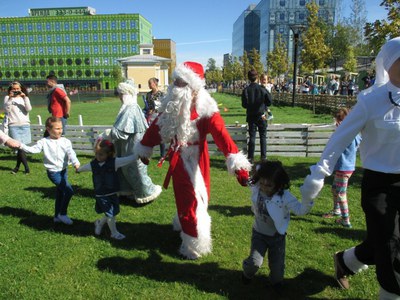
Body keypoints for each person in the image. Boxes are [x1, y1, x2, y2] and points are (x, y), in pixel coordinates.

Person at [301, 37, 400, 298]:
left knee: (382, 242)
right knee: (389, 247)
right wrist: (318, 175)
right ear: (390, 65)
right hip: (379, 186)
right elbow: (339, 139)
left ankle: (345, 261)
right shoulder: (371, 101)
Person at [136, 61, 252, 260]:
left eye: (181, 83)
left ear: (194, 86)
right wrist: (145, 150)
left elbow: (223, 138)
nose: (175, 87)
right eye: (175, 82)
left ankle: (190, 234)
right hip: (178, 159)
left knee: (198, 198)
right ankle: (190, 239)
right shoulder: (171, 107)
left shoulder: (207, 110)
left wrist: (239, 168)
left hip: (198, 161)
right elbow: (156, 127)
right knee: (187, 199)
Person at [242, 160, 314, 290]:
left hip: (277, 236)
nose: (264, 187)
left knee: (277, 267)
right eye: (262, 182)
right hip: (259, 233)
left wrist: (308, 197)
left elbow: (300, 210)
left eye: (269, 185)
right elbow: (249, 177)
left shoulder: (284, 196)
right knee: (254, 263)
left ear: (279, 184)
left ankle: (276, 283)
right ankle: (247, 274)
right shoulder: (257, 187)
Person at [101, 79, 162, 204]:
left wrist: (108, 133)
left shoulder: (131, 109)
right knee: (126, 168)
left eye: (121, 94)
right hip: (127, 145)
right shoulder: (128, 108)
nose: (119, 97)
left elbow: (122, 132)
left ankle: (146, 192)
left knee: (135, 168)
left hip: (132, 146)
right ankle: (129, 191)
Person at [19, 116, 80, 225]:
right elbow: (33, 150)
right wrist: (21, 145)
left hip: (63, 171)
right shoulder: (44, 142)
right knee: (69, 191)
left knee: (61, 193)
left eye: (61, 128)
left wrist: (75, 162)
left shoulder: (65, 141)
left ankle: (57, 216)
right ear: (48, 129)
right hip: (53, 173)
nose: (60, 131)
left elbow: (71, 153)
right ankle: (63, 214)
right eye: (57, 129)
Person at [77, 139, 138, 240]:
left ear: (109, 154)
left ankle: (99, 224)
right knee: (110, 213)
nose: (98, 157)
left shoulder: (114, 162)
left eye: (101, 154)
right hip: (101, 195)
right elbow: (83, 168)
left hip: (113, 193)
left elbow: (127, 159)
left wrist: (138, 155)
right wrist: (78, 169)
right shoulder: (93, 164)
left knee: (111, 212)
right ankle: (114, 233)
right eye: (96, 154)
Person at [322, 108, 361, 228]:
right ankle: (336, 210)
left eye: (339, 120)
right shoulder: (351, 133)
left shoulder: (348, 135)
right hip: (342, 167)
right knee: (334, 189)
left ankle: (346, 220)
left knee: (341, 193)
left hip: (345, 168)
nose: (336, 123)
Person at [242, 69, 272, 162]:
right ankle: (263, 157)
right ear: (257, 77)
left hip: (251, 116)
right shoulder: (262, 89)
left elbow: (244, 104)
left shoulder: (246, 90)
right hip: (261, 115)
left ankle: (251, 157)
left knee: (252, 137)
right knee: (263, 136)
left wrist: (251, 105)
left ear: (248, 78)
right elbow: (269, 102)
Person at [3, 81, 32, 174]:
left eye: (17, 89)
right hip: (14, 125)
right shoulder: (7, 98)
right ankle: (27, 168)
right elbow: (6, 110)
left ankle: (17, 167)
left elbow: (29, 109)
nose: (16, 90)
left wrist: (25, 97)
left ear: (21, 89)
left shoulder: (24, 98)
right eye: (14, 89)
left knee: (22, 148)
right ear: (10, 90)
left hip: (25, 125)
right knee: (19, 147)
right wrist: (11, 99)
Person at [145, 77, 166, 157]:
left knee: (161, 137)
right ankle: (148, 154)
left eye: (150, 83)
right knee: (150, 136)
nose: (149, 85)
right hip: (150, 118)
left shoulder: (161, 94)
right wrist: (147, 111)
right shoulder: (148, 94)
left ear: (155, 83)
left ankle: (162, 155)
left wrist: (155, 110)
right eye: (148, 84)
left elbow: (163, 106)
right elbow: (147, 106)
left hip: (159, 117)